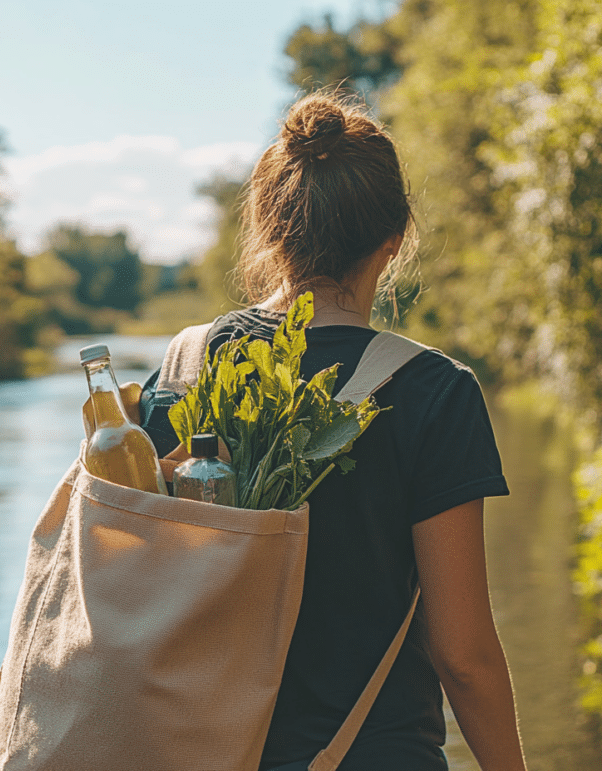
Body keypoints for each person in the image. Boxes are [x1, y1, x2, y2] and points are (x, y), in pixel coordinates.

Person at [137, 91, 529, 771]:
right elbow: (462, 654)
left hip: (196, 751)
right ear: (395, 238)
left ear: (267, 223)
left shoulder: (183, 369)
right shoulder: (434, 392)